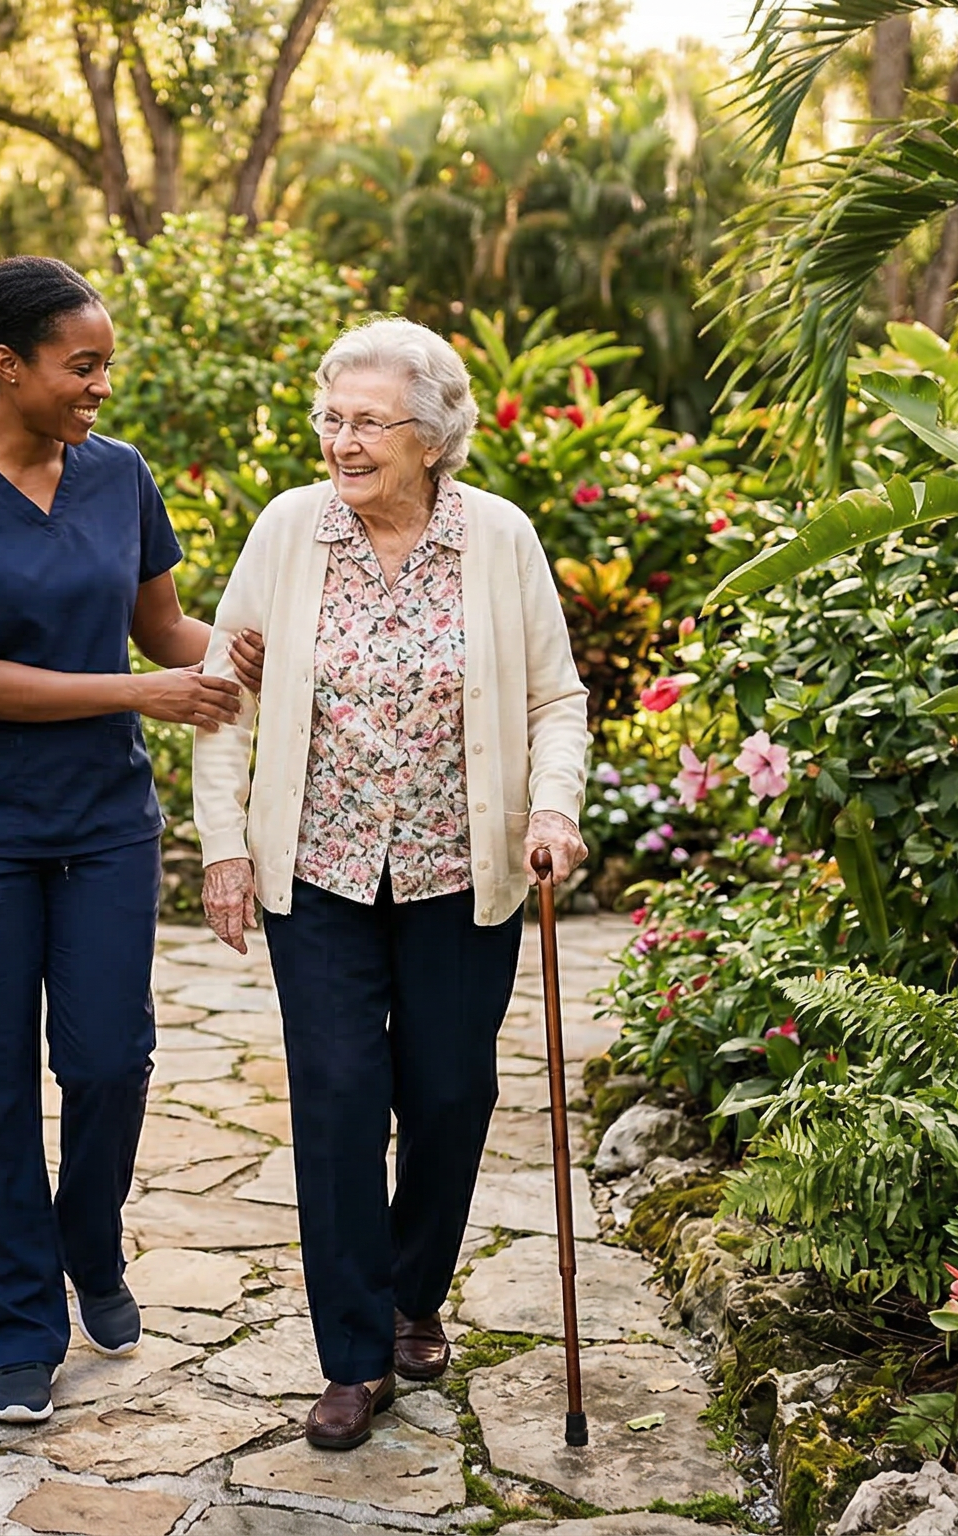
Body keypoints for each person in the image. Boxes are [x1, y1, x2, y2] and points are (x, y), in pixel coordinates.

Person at [192, 316, 589, 1450]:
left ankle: (416, 1292)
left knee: (453, 1097)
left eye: (370, 423)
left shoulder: (499, 540)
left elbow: (554, 699)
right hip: (316, 869)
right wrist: (226, 845)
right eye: (332, 419)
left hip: (458, 872)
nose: (343, 442)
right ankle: (355, 1354)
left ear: (434, 435)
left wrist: (551, 807)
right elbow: (222, 694)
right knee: (334, 1101)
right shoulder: (287, 534)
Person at [0, 255, 250, 1424]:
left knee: (105, 1060)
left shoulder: (120, 475)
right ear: (9, 364)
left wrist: (267, 643)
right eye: (79, 366)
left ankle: (92, 1247)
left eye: (105, 366)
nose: (99, 387)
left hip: (103, 823)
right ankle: (24, 1324)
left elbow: (163, 624)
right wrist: (142, 695)